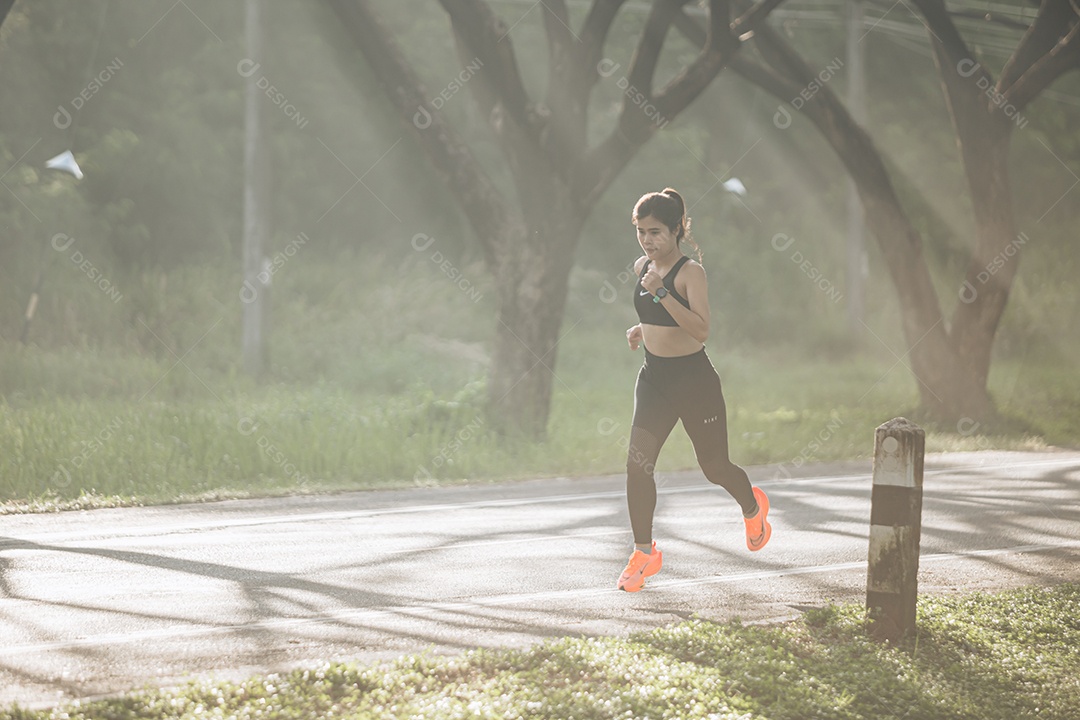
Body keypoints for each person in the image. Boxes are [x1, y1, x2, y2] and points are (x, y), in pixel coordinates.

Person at [617, 187, 771, 593]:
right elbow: (657, 315)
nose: (647, 241)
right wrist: (641, 329)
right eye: (640, 231)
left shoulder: (690, 274)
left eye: (655, 232)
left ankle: (753, 508)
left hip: (694, 381)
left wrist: (661, 291)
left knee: (714, 466)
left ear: (676, 230)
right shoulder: (642, 267)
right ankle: (644, 553)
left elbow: (700, 330)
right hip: (654, 380)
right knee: (638, 464)